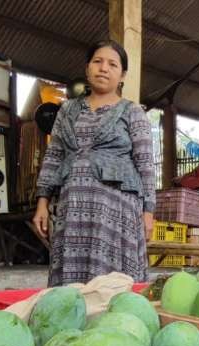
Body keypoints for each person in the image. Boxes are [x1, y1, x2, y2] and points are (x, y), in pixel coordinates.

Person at [32, 40, 155, 286]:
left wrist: (149, 212)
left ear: (122, 75)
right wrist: (42, 202)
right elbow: (54, 156)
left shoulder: (132, 112)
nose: (103, 68)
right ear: (87, 68)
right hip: (73, 209)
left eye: (112, 64)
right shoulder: (67, 110)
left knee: (113, 284)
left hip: (117, 212)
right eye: (97, 61)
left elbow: (145, 163)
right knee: (70, 286)